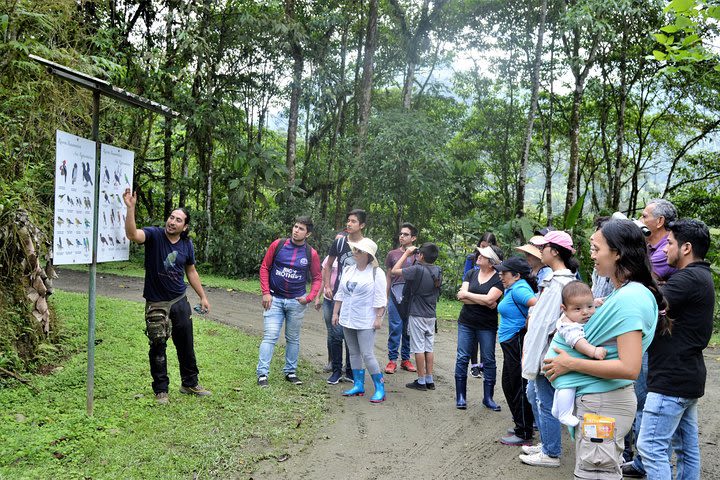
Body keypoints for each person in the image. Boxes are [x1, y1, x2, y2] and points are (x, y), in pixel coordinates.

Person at [542, 219, 667, 479]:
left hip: (605, 402)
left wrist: (570, 364)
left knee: (595, 473)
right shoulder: (621, 293)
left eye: (596, 249)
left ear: (618, 252)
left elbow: (629, 368)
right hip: (599, 400)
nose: (592, 256)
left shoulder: (630, 298)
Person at [636, 219, 714, 480]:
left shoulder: (689, 278)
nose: (663, 250)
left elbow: (649, 301)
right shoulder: (700, 276)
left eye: (669, 243)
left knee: (650, 448)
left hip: (671, 380)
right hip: (687, 377)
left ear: (686, 248)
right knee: (686, 449)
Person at [123, 189, 211, 405]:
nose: (172, 222)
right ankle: (161, 390)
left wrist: (203, 296)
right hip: (156, 302)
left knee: (186, 344)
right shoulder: (154, 235)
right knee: (158, 345)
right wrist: (130, 208)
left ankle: (189, 383)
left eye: (178, 220)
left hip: (179, 300)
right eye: (171, 217)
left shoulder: (186, 245)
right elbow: (133, 235)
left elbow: (191, 271)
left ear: (185, 226)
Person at [623, 198, 679, 476]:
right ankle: (642, 460)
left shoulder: (665, 249)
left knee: (644, 396)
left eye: (645, 215)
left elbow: (642, 277)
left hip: (656, 332)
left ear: (659, 222)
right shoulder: (652, 247)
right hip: (650, 328)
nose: (642, 219)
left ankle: (647, 461)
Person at [519, 230, 579, 467]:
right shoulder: (553, 279)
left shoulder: (563, 283)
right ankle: (547, 443)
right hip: (540, 351)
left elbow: (554, 323)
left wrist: (545, 354)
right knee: (534, 396)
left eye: (543, 247)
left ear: (554, 251)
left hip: (547, 353)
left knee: (544, 401)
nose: (540, 251)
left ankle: (551, 452)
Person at [257, 217, 322, 387]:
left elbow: (317, 278)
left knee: (293, 338)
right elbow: (265, 267)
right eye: (295, 226)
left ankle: (290, 372)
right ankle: (262, 374)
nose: (296, 230)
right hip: (274, 299)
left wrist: (309, 298)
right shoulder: (278, 244)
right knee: (270, 336)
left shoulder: (311, 254)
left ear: (307, 233)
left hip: (296, 302)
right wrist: (265, 293)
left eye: (301, 229)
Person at [332, 238, 387, 403]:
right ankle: (358, 384)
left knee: (367, 354)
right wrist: (335, 313)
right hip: (348, 318)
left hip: (366, 320)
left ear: (368, 255)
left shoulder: (376, 273)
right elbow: (340, 293)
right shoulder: (349, 270)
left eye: (359, 251)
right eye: (354, 249)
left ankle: (380, 387)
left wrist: (378, 318)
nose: (355, 253)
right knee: (354, 353)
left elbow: (381, 298)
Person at [454, 245, 504, 409]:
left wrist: (469, 295)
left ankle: (488, 398)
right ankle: (460, 397)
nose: (479, 255)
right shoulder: (471, 273)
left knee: (488, 359)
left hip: (486, 326)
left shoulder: (498, 278)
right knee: (462, 358)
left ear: (491, 262)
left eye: (483, 254)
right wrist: (483, 300)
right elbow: (462, 297)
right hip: (466, 322)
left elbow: (490, 300)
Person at [551, 281, 607, 427]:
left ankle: (557, 409)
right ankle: (564, 414)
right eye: (577, 309)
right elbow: (578, 342)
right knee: (568, 386)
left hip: (560, 361)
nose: (585, 312)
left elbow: (583, 304)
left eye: (589, 306)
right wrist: (594, 351)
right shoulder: (569, 326)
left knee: (562, 386)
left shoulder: (573, 315)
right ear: (564, 309)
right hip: (561, 362)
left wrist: (595, 303)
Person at [495, 256, 538, 443]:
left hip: (516, 341)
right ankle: (520, 424)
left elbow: (537, 304)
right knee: (508, 384)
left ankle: (524, 432)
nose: (500, 275)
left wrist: (528, 322)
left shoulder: (519, 288)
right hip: (510, 342)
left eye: (504, 273)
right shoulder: (513, 288)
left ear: (516, 275)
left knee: (518, 386)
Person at [323, 209, 368, 383]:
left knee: (352, 333)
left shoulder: (366, 245)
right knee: (335, 333)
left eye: (353, 221)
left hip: (356, 297)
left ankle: (350, 371)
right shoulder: (340, 243)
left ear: (362, 225)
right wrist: (327, 285)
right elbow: (328, 265)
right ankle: (336, 370)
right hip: (338, 294)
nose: (349, 224)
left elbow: (372, 270)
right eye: (348, 220)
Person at [391, 242, 442, 391]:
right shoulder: (438, 270)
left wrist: (406, 254)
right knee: (429, 347)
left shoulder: (416, 270)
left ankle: (420, 381)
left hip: (417, 314)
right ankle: (429, 379)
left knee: (419, 348)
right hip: (431, 314)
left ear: (421, 255)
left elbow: (394, 271)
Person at [384, 223, 418, 374]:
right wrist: (385, 296)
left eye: (406, 234)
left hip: (411, 297)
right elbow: (389, 275)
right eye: (401, 234)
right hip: (394, 294)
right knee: (395, 327)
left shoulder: (419, 255)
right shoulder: (392, 254)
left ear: (413, 238)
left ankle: (405, 359)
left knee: (408, 328)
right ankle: (392, 360)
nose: (402, 236)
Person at [464, 232, 498, 378]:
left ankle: (484, 364)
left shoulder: (497, 262)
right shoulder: (472, 259)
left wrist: (490, 300)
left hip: (490, 304)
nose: (484, 250)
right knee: (473, 337)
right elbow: (465, 279)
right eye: (482, 246)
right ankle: (474, 364)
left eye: (488, 247)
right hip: (473, 300)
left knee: (486, 336)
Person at [315, 255, 353, 384]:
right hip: (331, 300)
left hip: (349, 303)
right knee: (333, 334)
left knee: (348, 336)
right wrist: (318, 296)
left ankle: (349, 369)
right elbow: (323, 279)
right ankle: (334, 366)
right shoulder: (329, 259)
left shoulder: (353, 260)